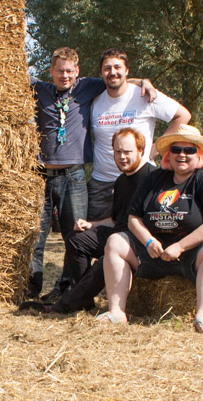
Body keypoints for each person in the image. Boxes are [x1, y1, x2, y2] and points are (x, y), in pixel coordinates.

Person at [28, 47, 156, 301]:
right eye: (59, 71)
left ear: (77, 72)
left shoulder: (87, 87)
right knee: (36, 234)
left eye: (69, 71)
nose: (64, 76)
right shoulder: (40, 89)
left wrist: (144, 82)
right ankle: (32, 287)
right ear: (51, 71)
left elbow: (117, 78)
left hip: (74, 175)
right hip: (41, 174)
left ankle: (68, 288)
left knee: (74, 234)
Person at [99, 124, 203, 334]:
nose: (182, 155)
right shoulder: (154, 179)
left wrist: (180, 246)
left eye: (189, 150)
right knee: (116, 241)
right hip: (155, 253)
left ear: (198, 154)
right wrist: (148, 241)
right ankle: (117, 312)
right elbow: (133, 218)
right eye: (176, 149)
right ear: (168, 154)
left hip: (195, 254)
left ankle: (201, 317)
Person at [19, 127, 154, 314]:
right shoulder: (121, 181)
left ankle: (64, 305)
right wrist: (92, 225)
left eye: (127, 152)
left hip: (138, 243)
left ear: (141, 151)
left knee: (106, 259)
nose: (122, 156)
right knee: (76, 238)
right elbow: (116, 220)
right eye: (118, 152)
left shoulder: (152, 178)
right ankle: (85, 301)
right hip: (118, 235)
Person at [88, 48, 190, 222]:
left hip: (140, 181)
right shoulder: (95, 100)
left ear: (127, 70)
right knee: (96, 239)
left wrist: (156, 148)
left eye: (117, 67)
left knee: (139, 235)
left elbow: (183, 116)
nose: (112, 72)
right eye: (107, 68)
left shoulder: (145, 95)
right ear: (101, 73)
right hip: (102, 185)